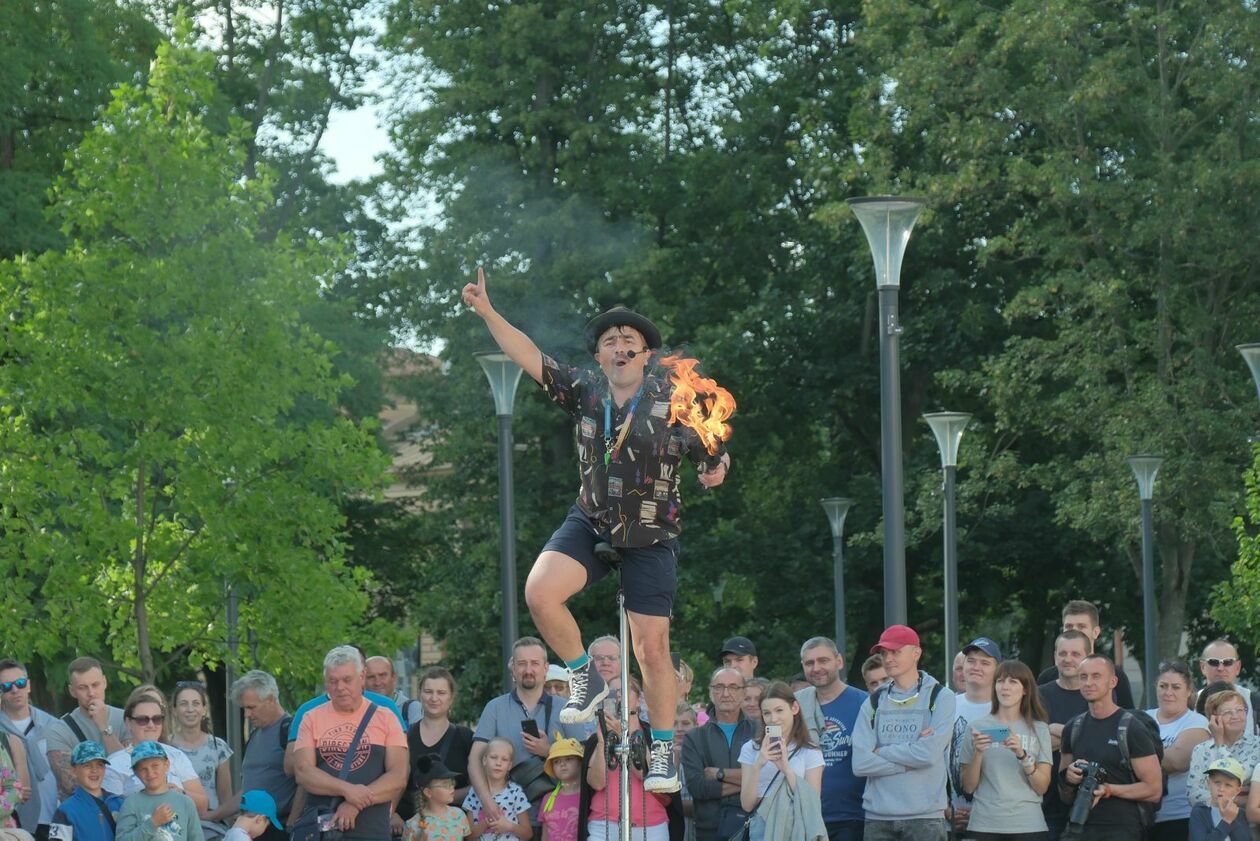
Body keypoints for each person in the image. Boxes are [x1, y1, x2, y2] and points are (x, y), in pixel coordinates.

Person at [463, 272, 732, 795]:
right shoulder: (585, 392)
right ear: (601, 358)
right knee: (539, 593)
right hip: (592, 519)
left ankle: (658, 749)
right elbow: (529, 355)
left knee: (652, 649)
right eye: (610, 341)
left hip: (651, 535)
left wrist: (715, 469)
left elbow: (714, 447)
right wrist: (488, 312)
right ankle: (583, 672)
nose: (620, 346)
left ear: (647, 355)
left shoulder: (673, 399)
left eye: (630, 340)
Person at [291, 646, 409, 841]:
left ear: (361, 677)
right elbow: (303, 772)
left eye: (347, 680)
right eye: (333, 681)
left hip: (372, 831)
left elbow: (398, 777)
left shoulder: (386, 718)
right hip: (323, 831)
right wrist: (348, 791)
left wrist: (354, 803)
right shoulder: (311, 718)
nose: (340, 687)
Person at [852, 625, 955, 840]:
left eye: (895, 651)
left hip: (925, 817)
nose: (888, 658)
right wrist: (908, 761)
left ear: (916, 653)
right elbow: (860, 764)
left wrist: (880, 751)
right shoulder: (872, 701)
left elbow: (928, 755)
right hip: (877, 817)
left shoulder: (940, 696)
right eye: (884, 653)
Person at [468, 639, 586, 825]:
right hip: (506, 815)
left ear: (545, 668)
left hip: (557, 814)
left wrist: (548, 751)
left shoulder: (567, 709)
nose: (528, 670)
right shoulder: (495, 708)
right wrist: (486, 800)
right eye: (522, 664)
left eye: (535, 663)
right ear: (513, 669)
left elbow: (585, 759)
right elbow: (475, 759)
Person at [1057, 655, 1161, 841]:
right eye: (1083, 677)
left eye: (1096, 676)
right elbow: (1064, 793)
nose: (1088, 682)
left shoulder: (1131, 727)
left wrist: (1109, 789)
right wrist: (1069, 778)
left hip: (1121, 829)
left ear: (1112, 681)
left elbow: (1153, 790)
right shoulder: (1073, 727)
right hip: (1078, 827)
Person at [957, 661, 1053, 838]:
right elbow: (968, 787)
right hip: (985, 824)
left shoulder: (1039, 729)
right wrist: (978, 753)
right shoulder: (976, 727)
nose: (1005, 687)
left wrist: (1022, 755)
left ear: (1025, 689)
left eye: (1013, 681)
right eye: (1000, 681)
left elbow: (1042, 787)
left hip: (1028, 825)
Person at [794, 637, 865, 841]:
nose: (816, 668)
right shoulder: (795, 706)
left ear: (839, 662)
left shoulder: (864, 703)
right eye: (809, 663)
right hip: (805, 817)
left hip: (852, 817)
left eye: (823, 660)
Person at [586, 678, 672, 841]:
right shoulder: (596, 738)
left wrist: (626, 735)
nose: (618, 696)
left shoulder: (652, 735)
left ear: (638, 699)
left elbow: (646, 775)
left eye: (624, 690)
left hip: (650, 825)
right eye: (613, 692)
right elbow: (597, 783)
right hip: (603, 824)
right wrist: (603, 740)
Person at [738, 682, 824, 841]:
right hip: (761, 826)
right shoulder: (750, 748)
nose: (773, 719)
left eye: (779, 710)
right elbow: (747, 804)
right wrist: (758, 765)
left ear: (794, 708)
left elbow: (812, 802)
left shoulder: (810, 751)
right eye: (767, 713)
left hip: (796, 825)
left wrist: (786, 769)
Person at [104, 693, 209, 814]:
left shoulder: (176, 755)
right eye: (143, 720)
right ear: (128, 723)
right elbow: (112, 813)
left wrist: (180, 793)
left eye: (157, 719)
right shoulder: (114, 763)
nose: (151, 725)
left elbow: (203, 805)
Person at [680, 668, 752, 841]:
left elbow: (771, 779)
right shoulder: (694, 737)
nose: (726, 693)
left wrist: (720, 774)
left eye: (733, 687)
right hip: (709, 830)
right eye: (719, 687)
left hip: (754, 828)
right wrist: (751, 783)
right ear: (711, 693)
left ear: (743, 693)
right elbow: (698, 788)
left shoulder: (758, 732)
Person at [46, 658, 127, 800]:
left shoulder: (127, 719)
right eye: (82, 688)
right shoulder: (58, 731)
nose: (91, 693)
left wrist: (104, 727)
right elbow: (70, 785)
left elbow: (130, 769)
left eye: (95, 685)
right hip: (83, 813)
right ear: (72, 691)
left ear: (104, 682)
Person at [401, 668, 475, 824]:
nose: (434, 698)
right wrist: (393, 815)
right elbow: (395, 781)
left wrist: (441, 796)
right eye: (428, 691)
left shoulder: (465, 738)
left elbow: (477, 785)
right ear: (420, 694)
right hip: (409, 826)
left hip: (452, 828)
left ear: (451, 698)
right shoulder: (405, 736)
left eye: (441, 693)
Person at [1036, 629, 1091, 840]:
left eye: (1076, 654)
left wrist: (1056, 729)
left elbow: (1100, 739)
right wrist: (1080, 733)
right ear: (1055, 656)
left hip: (1091, 803)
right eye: (1062, 653)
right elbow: (1036, 745)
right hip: (1047, 804)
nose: (1068, 659)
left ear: (1087, 656)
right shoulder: (1039, 694)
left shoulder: (1098, 693)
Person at [1146, 661, 1210, 841]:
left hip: (1180, 817)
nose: (1168, 692)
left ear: (1188, 690)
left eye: (1176, 687)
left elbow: (1177, 761)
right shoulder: (1143, 717)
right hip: (1143, 817)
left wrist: (1137, 753)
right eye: (1163, 686)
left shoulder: (1197, 722)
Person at [228, 672, 294, 841]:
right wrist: (213, 815)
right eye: (244, 708)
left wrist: (292, 824)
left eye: (251, 707)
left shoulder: (290, 730)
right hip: (250, 830)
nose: (246, 715)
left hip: (277, 827)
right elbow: (250, 786)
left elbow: (303, 780)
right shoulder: (255, 734)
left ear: (270, 699)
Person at [1036, 601, 1135, 708]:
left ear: (1096, 632)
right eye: (1069, 626)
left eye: (1081, 626)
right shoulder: (1047, 677)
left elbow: (1127, 718)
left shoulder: (1115, 675)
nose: (1074, 631)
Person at [0, 659, 59, 838]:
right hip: (13, 822)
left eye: (19, 683)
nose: (15, 690)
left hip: (55, 817)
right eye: (6, 686)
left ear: (29, 685)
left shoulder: (53, 725)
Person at [950, 637, 1001, 837]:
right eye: (971, 661)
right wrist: (945, 810)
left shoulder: (1007, 709)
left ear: (998, 670)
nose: (976, 667)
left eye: (985, 662)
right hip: (952, 819)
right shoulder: (946, 706)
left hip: (995, 821)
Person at [168, 683, 233, 835]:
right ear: (174, 710)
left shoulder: (218, 747)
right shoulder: (165, 746)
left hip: (210, 825)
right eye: (184, 704)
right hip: (176, 824)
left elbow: (226, 798)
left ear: (204, 709)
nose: (190, 709)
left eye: (196, 703)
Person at [1186, 688, 1260, 811]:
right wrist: (1241, 800)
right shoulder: (1201, 750)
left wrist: (1220, 744)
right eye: (1227, 712)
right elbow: (1193, 795)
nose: (1235, 716)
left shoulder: (1257, 745)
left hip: (1246, 825)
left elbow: (1234, 776)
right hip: (1210, 824)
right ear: (1214, 718)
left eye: (1240, 710)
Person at [115, 741, 205, 841]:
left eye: (155, 766)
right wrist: (153, 823)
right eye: (143, 769)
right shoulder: (131, 803)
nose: (150, 773)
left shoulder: (185, 802)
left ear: (166, 765)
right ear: (135, 773)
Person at [51, 741, 124, 841]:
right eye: (87, 765)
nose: (94, 770)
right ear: (74, 771)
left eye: (100, 765)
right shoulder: (66, 811)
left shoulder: (119, 803)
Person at [463, 739, 531, 841]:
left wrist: (509, 826)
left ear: (509, 765)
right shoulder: (474, 793)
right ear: (484, 760)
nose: (498, 763)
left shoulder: (516, 792)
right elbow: (468, 837)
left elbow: (528, 834)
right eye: (494, 757)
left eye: (504, 759)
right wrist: (486, 823)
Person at [404, 755, 471, 841]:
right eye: (445, 785)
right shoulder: (413, 825)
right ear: (428, 792)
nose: (452, 787)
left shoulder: (459, 815)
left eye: (452, 782)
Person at [1197, 641, 1255, 735]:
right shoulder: (1190, 703)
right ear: (1203, 667)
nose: (1220, 668)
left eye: (1228, 662)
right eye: (1214, 662)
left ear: (1237, 667)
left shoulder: (1254, 702)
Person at [1190, 757, 1250, 841]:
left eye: (1228, 785)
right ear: (1208, 783)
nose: (1221, 789)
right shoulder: (1199, 811)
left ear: (1237, 790)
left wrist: (1232, 819)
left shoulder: (1241, 814)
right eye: (1217, 782)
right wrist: (1226, 821)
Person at [537, 739, 581, 841]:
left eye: (569, 759)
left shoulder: (588, 797)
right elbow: (545, 835)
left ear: (580, 762)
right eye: (556, 761)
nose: (562, 764)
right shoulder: (547, 798)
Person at [366, 658, 423, 730]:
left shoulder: (411, 708)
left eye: (382, 675)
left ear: (394, 678)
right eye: (371, 677)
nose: (377, 682)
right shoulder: (357, 708)